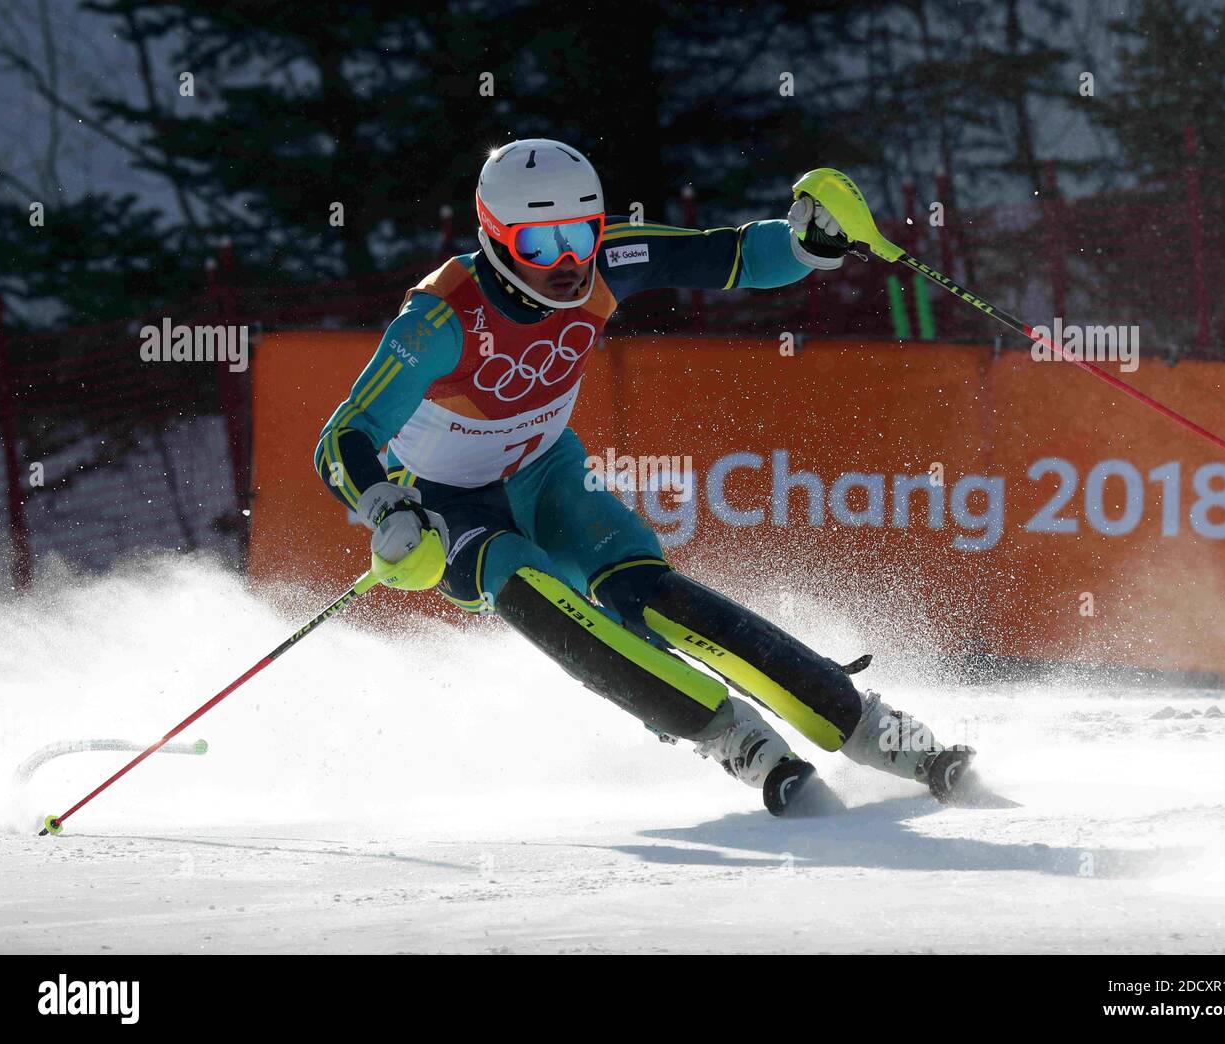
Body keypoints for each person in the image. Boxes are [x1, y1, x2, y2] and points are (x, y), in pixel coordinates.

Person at [315, 138, 973, 816]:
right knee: (519, 577)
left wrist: (809, 241)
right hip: (446, 503)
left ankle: (868, 726)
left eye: (581, 235)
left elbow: (732, 254)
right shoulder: (439, 320)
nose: (567, 262)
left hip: (545, 470)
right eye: (540, 246)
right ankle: (727, 736)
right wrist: (384, 505)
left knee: (646, 594)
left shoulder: (606, 263)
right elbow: (344, 436)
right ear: (494, 239)